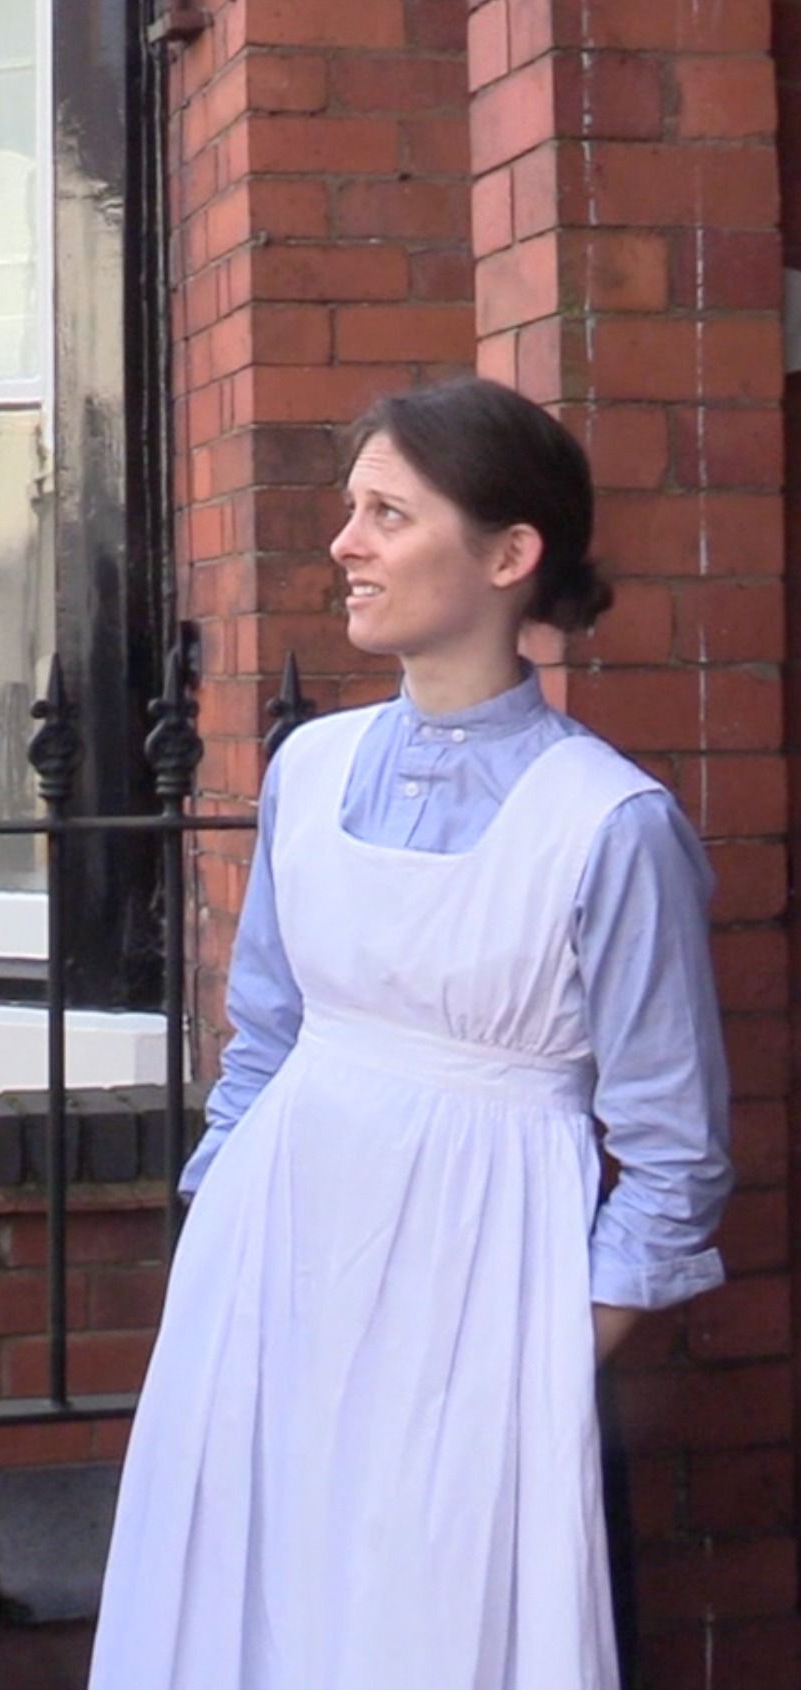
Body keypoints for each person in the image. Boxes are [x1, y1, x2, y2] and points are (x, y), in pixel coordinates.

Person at [88, 378, 732, 1690]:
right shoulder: (309, 772)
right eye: (350, 508)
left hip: (484, 1312)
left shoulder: (610, 825)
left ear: (508, 555)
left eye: (388, 511)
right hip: (274, 1285)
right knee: (252, 1619)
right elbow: (263, 1039)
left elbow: (674, 1161)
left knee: (437, 1635)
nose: (346, 544)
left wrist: (540, 1356)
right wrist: (220, 1237)